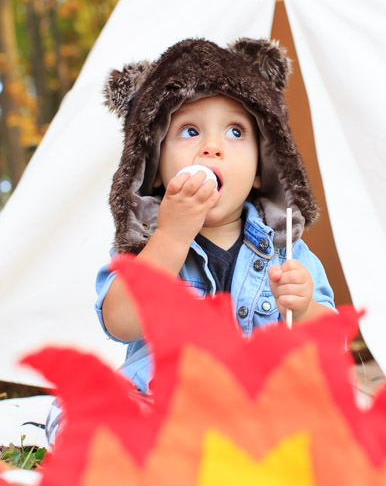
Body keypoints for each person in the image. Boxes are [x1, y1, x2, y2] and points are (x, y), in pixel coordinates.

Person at [45, 37, 335, 445]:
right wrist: (173, 234)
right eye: (190, 131)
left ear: (259, 168)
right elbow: (120, 323)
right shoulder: (147, 246)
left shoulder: (286, 251)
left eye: (235, 131)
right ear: (157, 166)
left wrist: (303, 308)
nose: (212, 148)